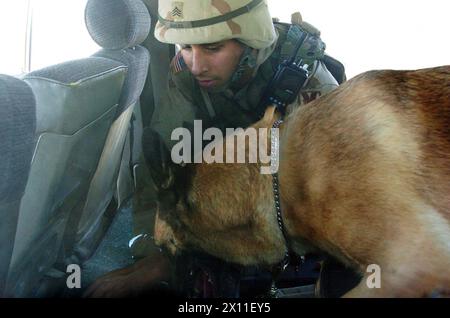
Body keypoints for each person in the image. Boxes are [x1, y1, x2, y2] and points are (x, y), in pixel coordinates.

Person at [85, 0, 344, 297]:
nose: (196, 65)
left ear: (250, 41)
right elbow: (161, 168)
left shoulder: (308, 82)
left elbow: (335, 201)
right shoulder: (185, 72)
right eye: (186, 47)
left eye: (212, 48)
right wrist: (157, 258)